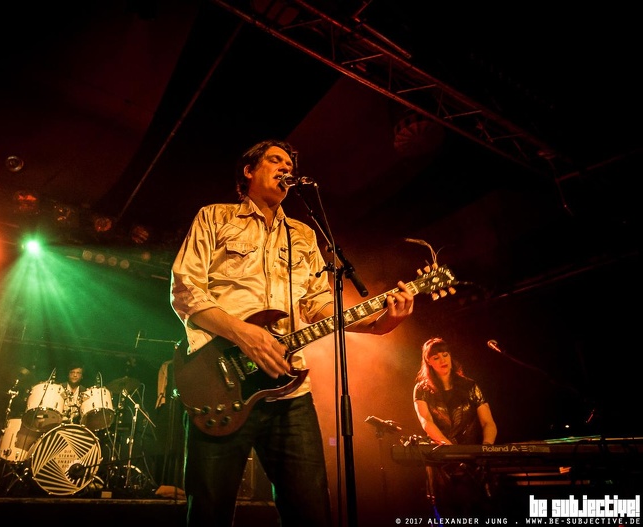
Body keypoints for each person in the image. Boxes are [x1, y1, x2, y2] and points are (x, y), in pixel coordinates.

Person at [170, 139, 415, 526]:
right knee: (209, 512)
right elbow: (185, 289)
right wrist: (244, 334)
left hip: (290, 391)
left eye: (290, 165)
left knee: (311, 510)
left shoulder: (303, 234)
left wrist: (378, 323)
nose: (286, 168)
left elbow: (319, 305)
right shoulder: (214, 217)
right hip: (220, 381)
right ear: (249, 170)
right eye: (275, 160)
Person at [412, 337, 498, 517]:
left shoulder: (470, 386)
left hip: (473, 460)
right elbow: (426, 421)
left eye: (445, 355)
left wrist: (486, 448)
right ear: (428, 361)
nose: (442, 360)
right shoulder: (422, 389)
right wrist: (450, 449)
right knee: (447, 513)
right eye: (436, 357)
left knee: (478, 511)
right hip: (441, 461)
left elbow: (488, 422)